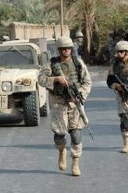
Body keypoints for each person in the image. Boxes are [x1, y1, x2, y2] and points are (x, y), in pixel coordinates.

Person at [38, 36, 92, 176]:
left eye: (68, 49)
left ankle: (75, 162)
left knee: (76, 133)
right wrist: (56, 79)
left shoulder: (78, 63)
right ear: (59, 50)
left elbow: (87, 82)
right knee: (60, 135)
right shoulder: (51, 64)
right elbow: (41, 80)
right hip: (58, 102)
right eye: (63, 49)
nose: (66, 51)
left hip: (75, 103)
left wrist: (80, 94)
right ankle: (62, 151)